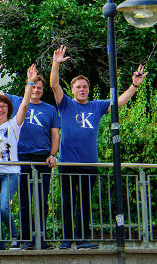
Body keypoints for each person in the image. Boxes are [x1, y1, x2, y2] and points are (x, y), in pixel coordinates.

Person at [50, 45, 146, 248]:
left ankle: (82, 239)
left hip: (89, 163)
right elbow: (54, 85)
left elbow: (118, 103)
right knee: (67, 203)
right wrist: (55, 64)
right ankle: (67, 240)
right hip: (67, 163)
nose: (82, 89)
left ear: (88, 89)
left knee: (84, 204)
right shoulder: (66, 104)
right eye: (78, 87)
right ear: (73, 90)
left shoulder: (97, 106)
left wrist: (134, 86)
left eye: (84, 86)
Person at [0, 51, 60, 249]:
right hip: (19, 158)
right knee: (18, 201)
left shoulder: (45, 111)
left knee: (39, 200)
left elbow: (56, 135)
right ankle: (22, 237)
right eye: (33, 87)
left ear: (42, 89)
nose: (36, 90)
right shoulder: (11, 105)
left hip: (39, 158)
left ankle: (40, 237)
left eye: (39, 87)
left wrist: (52, 154)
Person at [0, 61, 35, 250]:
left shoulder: (13, 125)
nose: (0, 108)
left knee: (3, 206)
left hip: (10, 172)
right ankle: (0, 243)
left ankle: (14, 236)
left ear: (8, 109)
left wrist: (29, 83)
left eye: (4, 106)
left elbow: (25, 105)